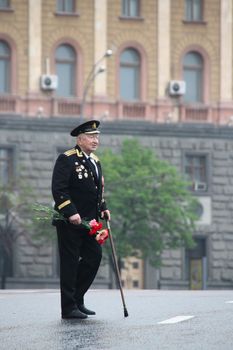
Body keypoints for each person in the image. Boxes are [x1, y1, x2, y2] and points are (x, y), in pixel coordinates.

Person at [51, 120, 110, 319]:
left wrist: (103, 208)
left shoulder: (95, 161)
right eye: (92, 136)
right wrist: (70, 212)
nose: (96, 140)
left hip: (90, 223)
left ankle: (77, 298)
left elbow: (96, 191)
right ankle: (68, 308)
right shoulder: (66, 159)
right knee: (70, 263)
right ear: (80, 139)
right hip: (70, 222)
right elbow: (59, 189)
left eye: (97, 136)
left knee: (94, 257)